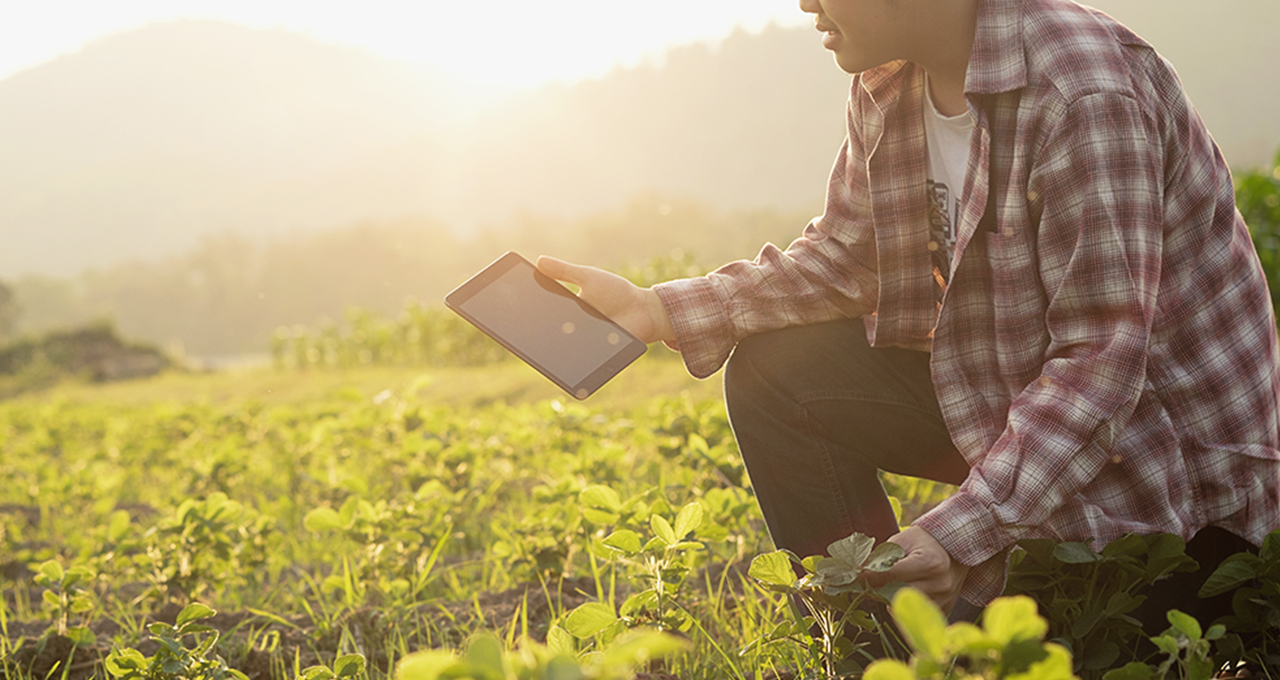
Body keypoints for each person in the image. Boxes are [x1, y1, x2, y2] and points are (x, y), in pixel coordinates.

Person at [537, 0, 1280, 625]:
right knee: (777, 371)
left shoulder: (1081, 94)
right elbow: (849, 255)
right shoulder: (890, 79)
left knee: (1074, 635)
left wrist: (962, 535)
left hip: (1167, 476)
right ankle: (878, 651)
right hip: (1019, 408)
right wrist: (655, 308)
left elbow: (1101, 362)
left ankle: (953, 598)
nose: (804, 4)